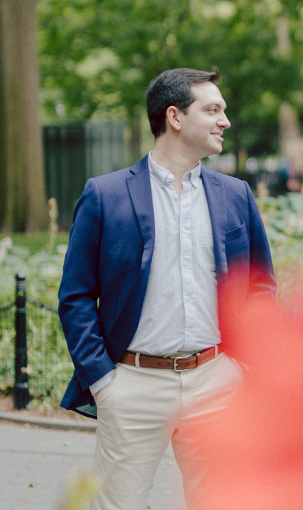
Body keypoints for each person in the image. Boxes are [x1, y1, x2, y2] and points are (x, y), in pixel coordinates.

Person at [58, 68, 276, 510]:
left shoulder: (236, 195)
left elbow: (260, 287)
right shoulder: (105, 195)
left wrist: (247, 367)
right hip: (132, 385)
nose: (225, 121)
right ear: (174, 117)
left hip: (218, 381)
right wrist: (102, 381)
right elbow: (76, 296)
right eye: (212, 110)